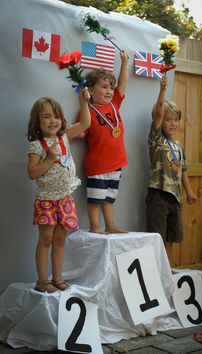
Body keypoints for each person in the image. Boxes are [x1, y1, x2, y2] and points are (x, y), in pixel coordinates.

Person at [27, 88, 91, 293]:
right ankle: (42, 281)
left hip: (65, 198)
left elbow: (85, 124)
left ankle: (57, 278)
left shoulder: (64, 137)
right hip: (46, 200)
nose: (53, 121)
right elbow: (32, 173)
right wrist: (48, 159)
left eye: (56, 116)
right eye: (46, 116)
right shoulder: (36, 146)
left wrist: (84, 103)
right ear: (37, 122)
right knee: (45, 239)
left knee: (61, 239)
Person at [78, 50, 129, 234]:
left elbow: (122, 84)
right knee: (96, 198)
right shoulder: (88, 110)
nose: (109, 91)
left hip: (116, 163)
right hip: (98, 164)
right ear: (91, 90)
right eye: (104, 87)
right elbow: (81, 132)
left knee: (109, 198)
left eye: (110, 87)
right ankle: (94, 226)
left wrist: (124, 63)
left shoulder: (114, 103)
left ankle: (111, 225)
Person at [146, 76, 197, 261]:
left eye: (176, 120)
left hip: (175, 198)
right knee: (157, 237)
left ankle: (166, 269)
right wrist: (162, 90)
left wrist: (189, 192)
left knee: (171, 237)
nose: (173, 123)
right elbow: (159, 114)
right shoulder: (156, 138)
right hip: (158, 195)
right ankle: (155, 269)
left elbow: (183, 170)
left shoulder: (178, 146)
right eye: (169, 120)